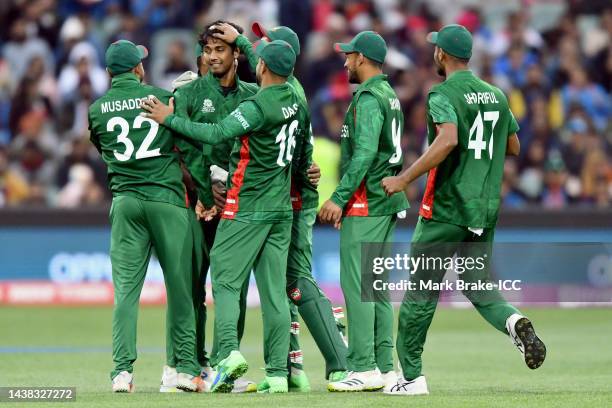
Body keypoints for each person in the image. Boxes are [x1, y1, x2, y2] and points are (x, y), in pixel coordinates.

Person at [381, 24, 546, 396]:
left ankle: (411, 379)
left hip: (446, 208)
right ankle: (514, 321)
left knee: (421, 292)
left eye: (435, 49)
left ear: (441, 54)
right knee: (477, 285)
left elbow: (449, 139)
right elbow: (514, 146)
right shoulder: (496, 94)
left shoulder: (442, 92)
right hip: (483, 210)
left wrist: (405, 178)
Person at [143, 39, 309, 394]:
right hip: (281, 208)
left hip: (247, 204)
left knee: (225, 278)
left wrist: (167, 118)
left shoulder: (258, 104)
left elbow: (216, 133)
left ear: (261, 67)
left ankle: (227, 357)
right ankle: (278, 375)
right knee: (274, 292)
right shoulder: (296, 98)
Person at [212, 21, 349, 390]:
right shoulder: (287, 89)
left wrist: (306, 173)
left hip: (289, 200)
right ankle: (287, 370)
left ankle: (340, 363)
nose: (257, 47)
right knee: (280, 286)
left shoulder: (286, 93)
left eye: (265, 42)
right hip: (285, 197)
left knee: (296, 281)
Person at [87, 40, 204, 393]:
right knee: (181, 288)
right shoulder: (162, 98)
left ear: (109, 74)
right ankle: (183, 371)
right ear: (138, 69)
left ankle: (122, 373)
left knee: (125, 292)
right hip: (166, 200)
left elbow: (103, 149)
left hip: (125, 202)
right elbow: (185, 146)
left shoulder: (96, 109)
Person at [159, 20, 258, 394]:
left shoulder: (253, 94)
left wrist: (229, 190)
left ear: (236, 53)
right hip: (196, 206)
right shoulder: (186, 94)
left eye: (221, 49)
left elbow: (258, 153)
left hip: (236, 206)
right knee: (189, 288)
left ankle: (222, 368)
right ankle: (181, 365)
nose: (213, 56)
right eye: (208, 50)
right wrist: (204, 193)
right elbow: (180, 151)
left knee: (232, 289)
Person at [318, 31, 409, 392]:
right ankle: (385, 366)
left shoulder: (370, 98)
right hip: (384, 203)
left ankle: (363, 366)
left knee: (357, 286)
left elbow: (365, 154)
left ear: (363, 59)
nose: (345, 62)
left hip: (367, 202)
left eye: (349, 56)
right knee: (376, 288)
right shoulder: (389, 95)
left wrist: (338, 198)